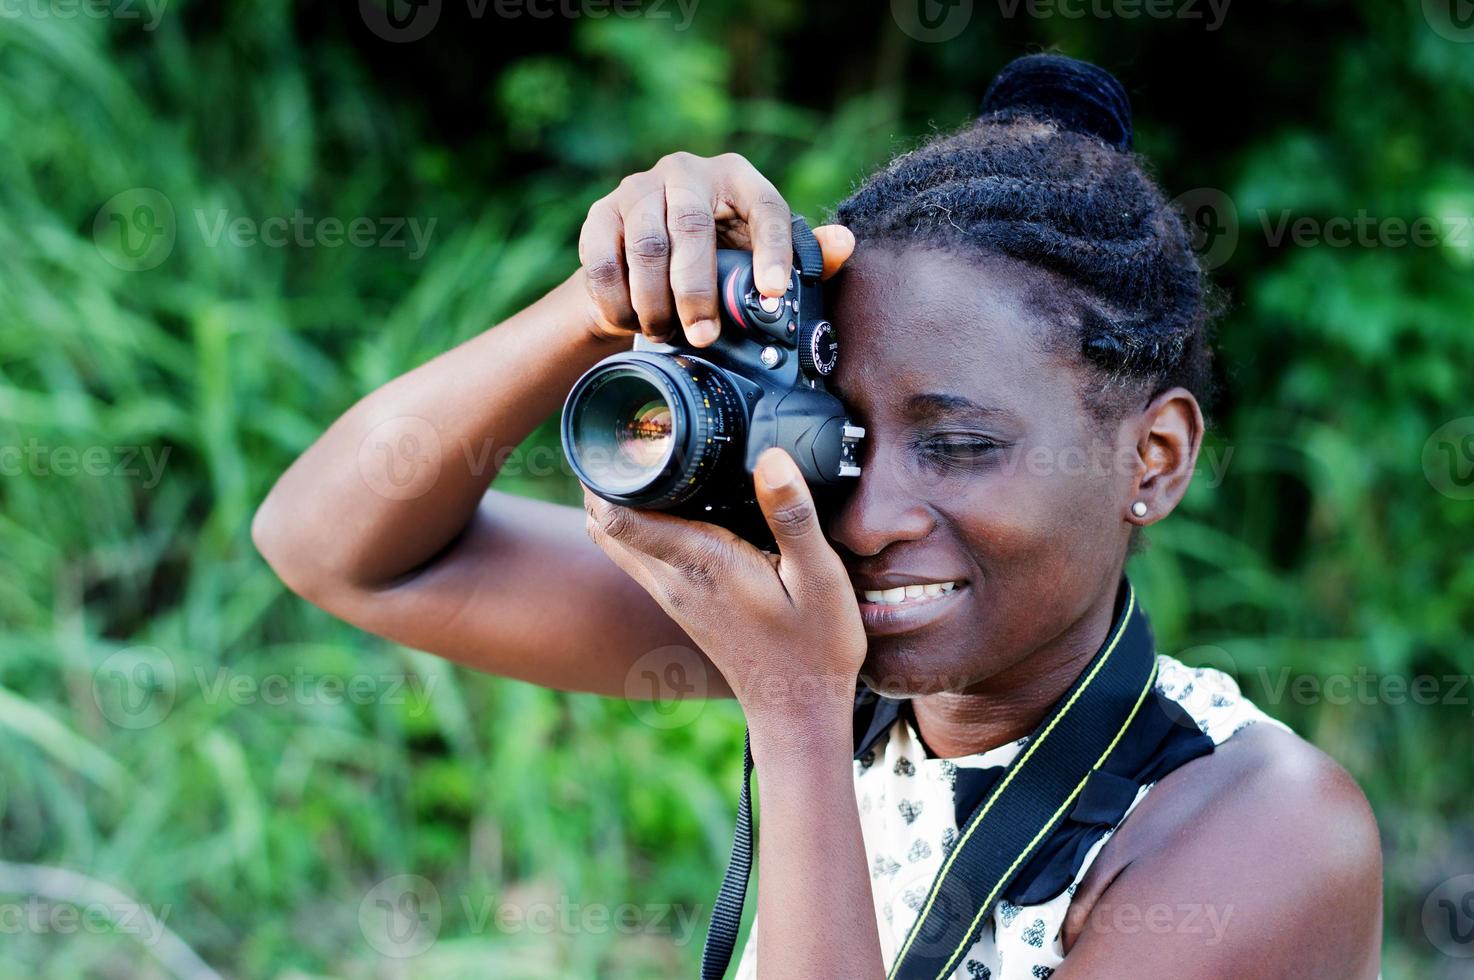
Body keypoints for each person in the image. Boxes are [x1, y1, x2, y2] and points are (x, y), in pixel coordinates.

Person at [253, 54, 1383, 979]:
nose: (866, 513)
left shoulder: (1260, 827)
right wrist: (606, 304)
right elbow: (335, 546)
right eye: (834, 435)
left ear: (1155, 455)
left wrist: (790, 707)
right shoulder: (846, 646)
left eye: (959, 443)